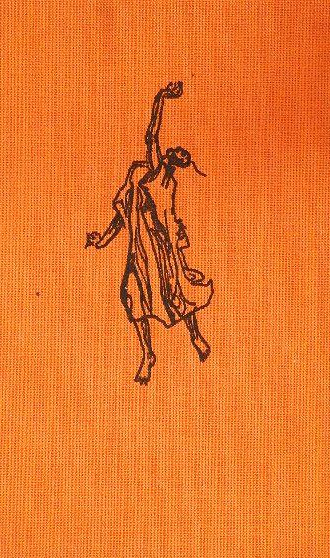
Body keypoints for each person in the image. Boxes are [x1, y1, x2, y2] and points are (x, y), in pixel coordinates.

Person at [86, 82, 214, 384]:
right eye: (177, 149)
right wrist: (102, 240)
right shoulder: (140, 175)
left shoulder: (161, 176)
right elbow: (123, 217)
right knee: (134, 299)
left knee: (177, 295)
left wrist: (161, 97)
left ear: (173, 161)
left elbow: (152, 134)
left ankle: (196, 336)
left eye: (179, 153)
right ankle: (148, 354)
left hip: (162, 252)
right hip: (140, 251)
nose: (174, 149)